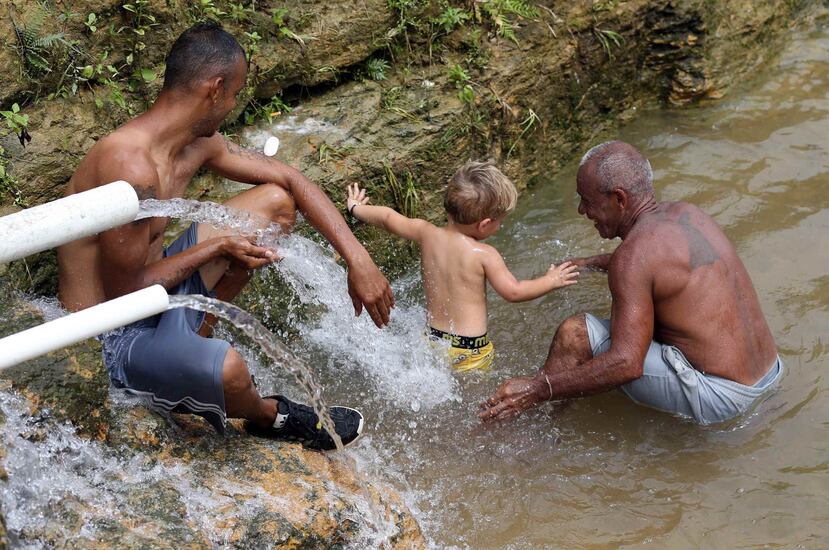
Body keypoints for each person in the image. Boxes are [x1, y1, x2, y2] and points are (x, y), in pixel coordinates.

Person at [57, 23, 396, 450]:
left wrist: (358, 259)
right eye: (235, 94)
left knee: (273, 203)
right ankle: (269, 413)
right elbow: (125, 293)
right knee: (231, 372)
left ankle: (190, 347)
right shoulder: (130, 164)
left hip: (157, 301)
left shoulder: (192, 145)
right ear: (215, 88)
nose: (233, 106)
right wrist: (215, 246)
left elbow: (289, 180)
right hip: (107, 337)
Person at [479, 141, 782, 425]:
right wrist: (590, 263)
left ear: (619, 199)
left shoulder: (632, 258)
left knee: (575, 334)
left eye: (587, 201)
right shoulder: (687, 215)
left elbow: (626, 363)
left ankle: (530, 426)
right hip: (770, 375)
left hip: (721, 399)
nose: (582, 211)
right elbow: (657, 266)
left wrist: (537, 387)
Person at [346, 161, 579, 372]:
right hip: (470, 350)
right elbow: (514, 291)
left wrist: (355, 208)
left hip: (433, 340)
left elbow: (388, 218)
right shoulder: (485, 255)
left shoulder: (427, 233)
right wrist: (550, 281)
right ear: (485, 224)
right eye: (500, 221)